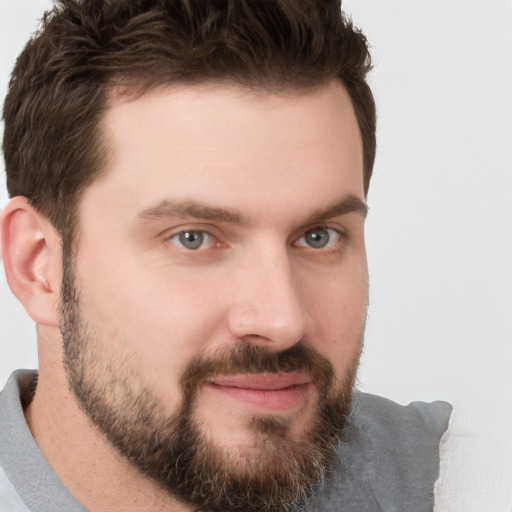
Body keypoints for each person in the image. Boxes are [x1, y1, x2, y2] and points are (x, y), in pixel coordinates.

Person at [0, 1, 452, 511]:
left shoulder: (468, 479)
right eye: (193, 237)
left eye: (319, 236)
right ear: (37, 265)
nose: (282, 321)